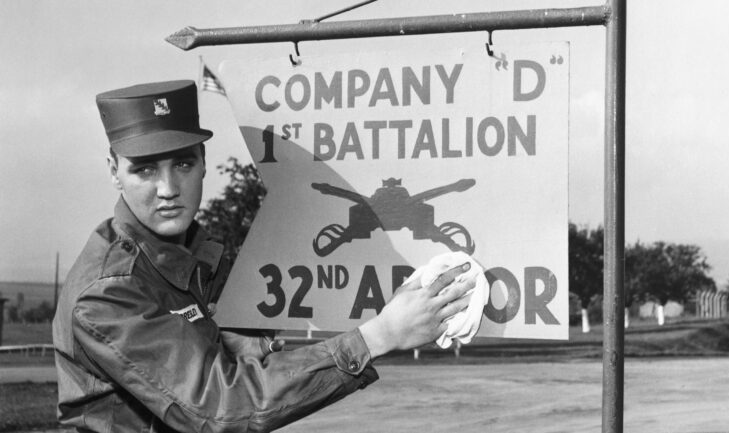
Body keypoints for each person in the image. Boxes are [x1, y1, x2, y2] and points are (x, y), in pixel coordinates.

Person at [52, 80, 474, 433]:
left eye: (182, 164)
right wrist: (378, 337)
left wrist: (233, 342)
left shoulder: (198, 256)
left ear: (203, 164)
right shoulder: (110, 290)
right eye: (143, 170)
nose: (166, 188)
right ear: (113, 170)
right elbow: (217, 405)